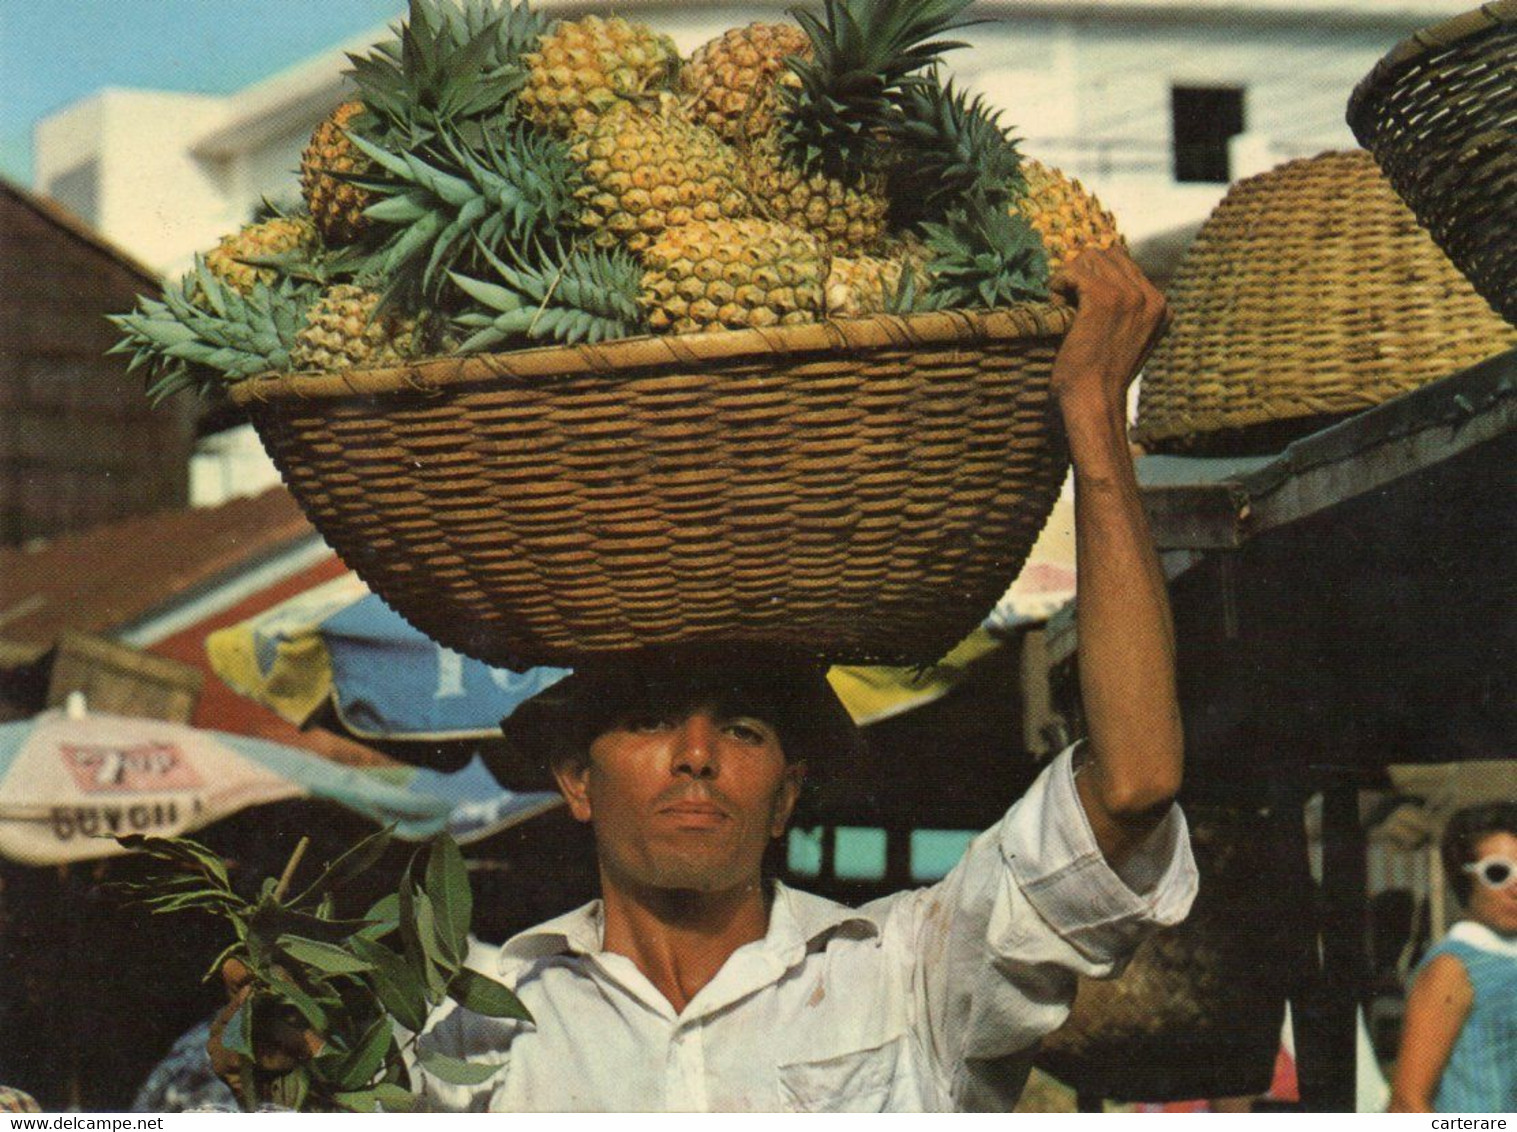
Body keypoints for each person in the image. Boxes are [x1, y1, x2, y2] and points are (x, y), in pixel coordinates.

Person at [213, 246, 1197, 1111]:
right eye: (646, 720)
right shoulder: (474, 1026)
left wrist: (1094, 422)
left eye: (742, 729)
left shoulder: (908, 975)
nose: (695, 757)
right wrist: (283, 1035)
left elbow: (1133, 783)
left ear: (786, 795)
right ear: (574, 777)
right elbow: (314, 1063)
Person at [1390, 803, 1517, 1113]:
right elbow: (1406, 1102)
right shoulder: (1452, 967)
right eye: (1498, 873)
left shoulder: (1504, 954)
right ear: (1464, 879)